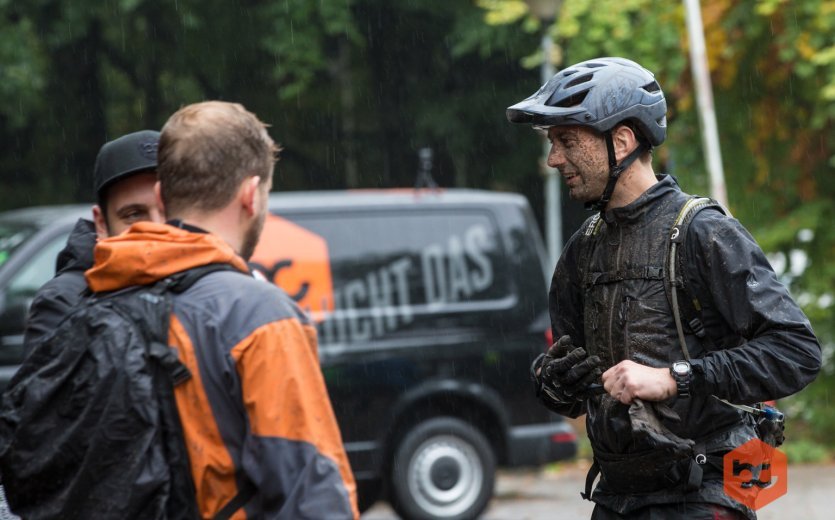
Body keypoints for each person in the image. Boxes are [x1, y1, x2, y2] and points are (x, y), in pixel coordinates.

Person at [507, 57, 821, 519]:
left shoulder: (701, 232)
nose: (554, 159)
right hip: (617, 499)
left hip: (703, 492)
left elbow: (797, 352)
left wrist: (675, 377)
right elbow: (573, 397)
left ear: (622, 140)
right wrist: (552, 382)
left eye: (567, 140)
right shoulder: (582, 251)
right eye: (553, 143)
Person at [84, 101, 358, 518]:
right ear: (251, 195)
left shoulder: (92, 302)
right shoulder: (258, 315)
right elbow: (310, 494)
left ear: (162, 194)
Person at [23, 130, 164, 348]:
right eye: (134, 215)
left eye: (168, 210)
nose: (156, 227)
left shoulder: (216, 284)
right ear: (101, 224)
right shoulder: (64, 303)